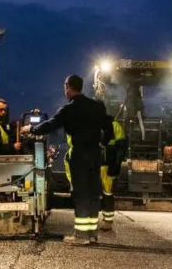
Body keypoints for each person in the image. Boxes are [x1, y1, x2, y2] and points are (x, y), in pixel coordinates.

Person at [23, 74, 110, 245]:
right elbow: (109, 128)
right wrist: (102, 143)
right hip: (95, 155)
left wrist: (31, 129)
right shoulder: (97, 107)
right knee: (93, 193)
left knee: (81, 193)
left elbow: (51, 124)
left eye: (65, 86)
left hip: (80, 155)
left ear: (68, 87)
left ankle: (81, 236)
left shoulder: (69, 109)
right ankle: (91, 233)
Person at [99, 113, 127, 229]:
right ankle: (95, 221)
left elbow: (121, 147)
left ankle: (108, 221)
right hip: (96, 165)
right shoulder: (91, 124)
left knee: (107, 193)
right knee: (98, 194)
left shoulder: (114, 125)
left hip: (107, 166)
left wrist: (116, 164)